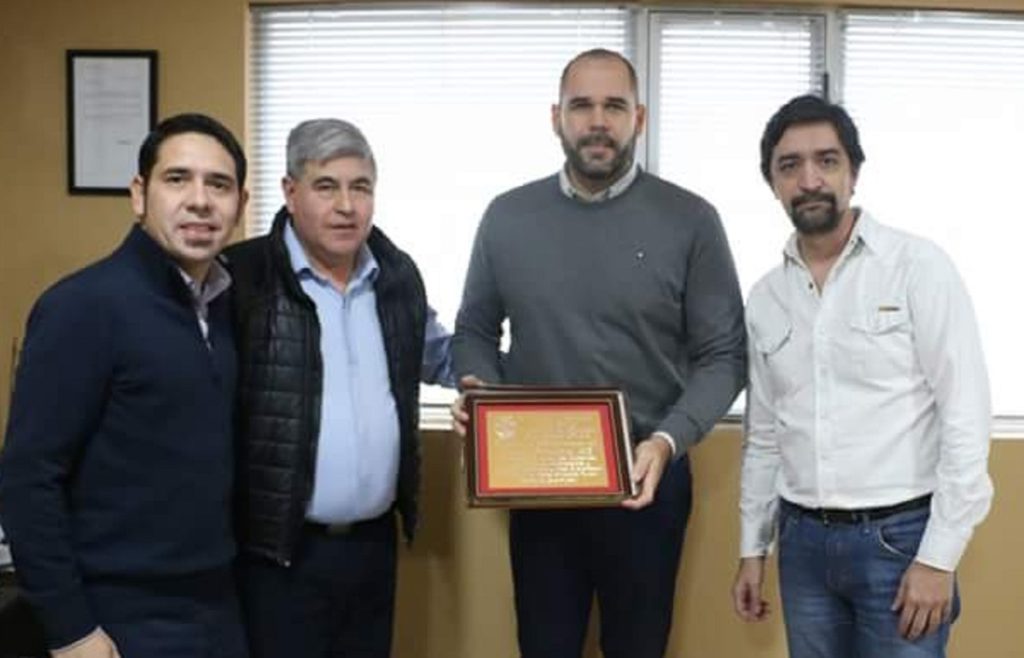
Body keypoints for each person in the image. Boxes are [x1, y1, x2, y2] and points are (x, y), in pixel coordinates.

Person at [452, 49, 746, 658]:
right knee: (544, 646)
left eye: (614, 106)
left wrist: (667, 441)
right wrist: (480, 387)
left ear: (639, 118)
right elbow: (475, 329)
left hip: (647, 481)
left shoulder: (692, 220)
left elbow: (724, 356)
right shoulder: (507, 217)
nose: (597, 122)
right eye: (582, 106)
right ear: (556, 117)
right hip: (539, 484)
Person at [732, 94, 993, 658]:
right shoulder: (767, 297)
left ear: (854, 172)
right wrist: (753, 548)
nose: (809, 180)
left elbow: (965, 415)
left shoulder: (917, 267)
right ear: (772, 183)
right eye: (789, 165)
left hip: (901, 542)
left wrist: (938, 557)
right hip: (801, 545)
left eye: (826, 161)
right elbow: (766, 435)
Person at [0, 113, 249, 658]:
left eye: (219, 185)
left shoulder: (226, 307)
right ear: (139, 194)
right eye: (177, 179)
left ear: (240, 204)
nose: (200, 200)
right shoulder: (83, 306)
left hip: (215, 605)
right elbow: (27, 478)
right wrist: (71, 629)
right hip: (117, 615)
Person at [226, 118, 453, 658]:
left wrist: (534, 375)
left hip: (373, 548)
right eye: (326, 186)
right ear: (290, 192)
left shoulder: (397, 278)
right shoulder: (242, 278)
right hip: (277, 554)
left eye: (361, 187)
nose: (346, 206)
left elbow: (442, 357)